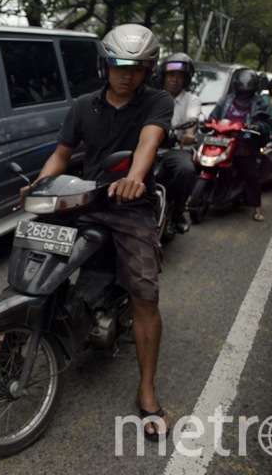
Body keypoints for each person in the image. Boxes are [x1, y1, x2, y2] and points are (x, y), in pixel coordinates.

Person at [31, 23, 173, 441]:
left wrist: (135, 178)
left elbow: (149, 142)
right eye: (119, 66)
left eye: (137, 68)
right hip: (87, 199)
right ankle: (26, 320)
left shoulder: (157, 101)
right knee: (37, 242)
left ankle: (146, 388)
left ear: (149, 70)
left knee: (145, 293)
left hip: (131, 206)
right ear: (105, 66)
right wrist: (40, 186)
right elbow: (61, 154)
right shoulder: (83, 105)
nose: (127, 75)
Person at [208, 69, 272, 221]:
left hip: (245, 144)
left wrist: (257, 126)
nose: (244, 93)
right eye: (242, 90)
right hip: (223, 141)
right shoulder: (226, 100)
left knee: (250, 174)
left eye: (247, 91)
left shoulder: (260, 103)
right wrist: (207, 123)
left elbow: (267, 122)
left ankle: (256, 208)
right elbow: (213, 116)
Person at [156, 52, 201, 233]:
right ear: (164, 77)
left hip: (177, 149)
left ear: (186, 80)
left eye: (179, 76)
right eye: (171, 75)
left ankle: (178, 212)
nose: (174, 80)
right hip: (150, 148)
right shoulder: (153, 97)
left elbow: (193, 119)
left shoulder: (192, 99)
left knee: (186, 170)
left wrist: (189, 133)